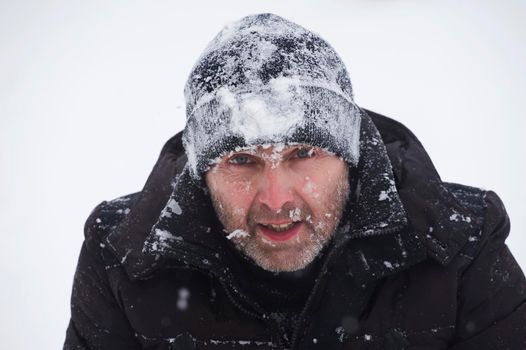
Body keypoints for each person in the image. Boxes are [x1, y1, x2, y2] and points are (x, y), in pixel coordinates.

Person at [63, 13, 526, 350]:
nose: (277, 198)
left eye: (304, 153)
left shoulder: (459, 244)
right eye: (240, 159)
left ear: (350, 155)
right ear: (201, 172)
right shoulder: (121, 256)